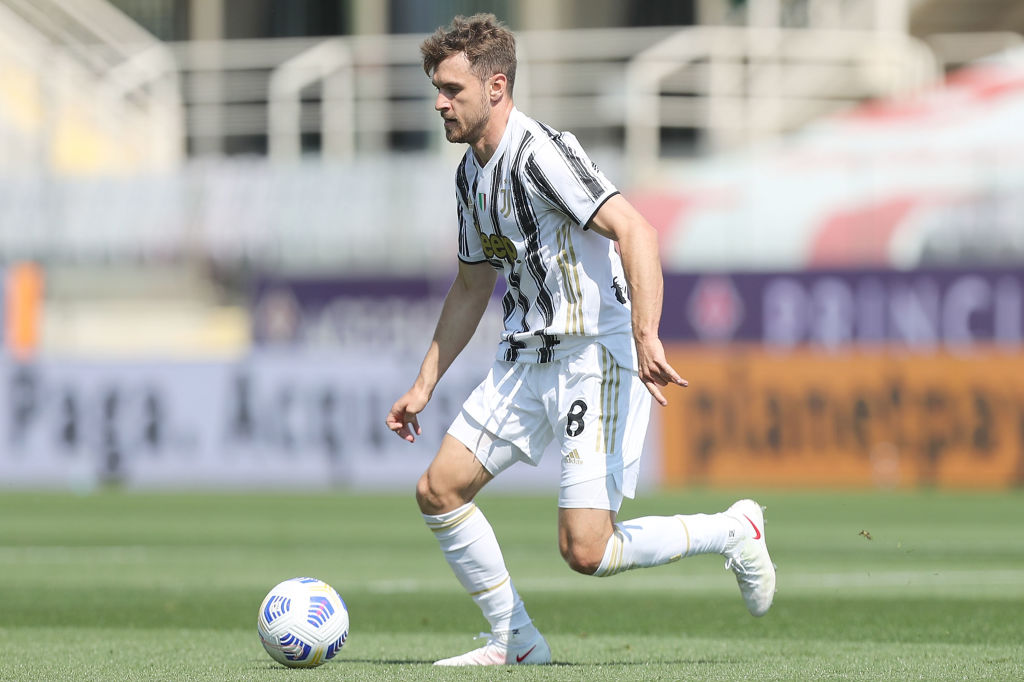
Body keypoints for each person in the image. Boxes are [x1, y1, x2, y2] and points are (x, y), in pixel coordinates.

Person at [386, 13, 775, 667]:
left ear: (497, 87)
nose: (440, 103)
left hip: (592, 355)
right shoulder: (468, 175)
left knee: (586, 550)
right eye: (437, 89)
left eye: (452, 89)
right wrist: (424, 384)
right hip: (524, 357)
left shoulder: (540, 154)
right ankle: (515, 643)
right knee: (438, 490)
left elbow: (637, 231)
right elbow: (472, 285)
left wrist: (647, 335)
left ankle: (734, 530)